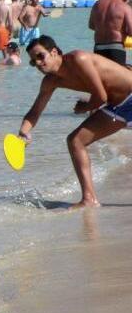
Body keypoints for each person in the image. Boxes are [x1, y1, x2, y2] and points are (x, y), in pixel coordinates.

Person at [18, 35, 132, 207]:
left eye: (40, 56)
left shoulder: (79, 59)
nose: (39, 64)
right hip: (117, 107)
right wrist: (24, 131)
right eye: (34, 62)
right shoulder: (50, 82)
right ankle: (89, 199)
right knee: (75, 141)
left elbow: (101, 96)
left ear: (54, 52)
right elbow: (35, 111)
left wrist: (83, 108)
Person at [88, 0, 132, 66]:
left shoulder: (98, 4)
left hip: (98, 48)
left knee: (102, 79)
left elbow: (91, 25)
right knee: (117, 79)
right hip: (116, 49)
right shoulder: (125, 7)